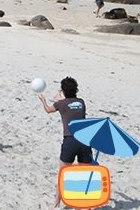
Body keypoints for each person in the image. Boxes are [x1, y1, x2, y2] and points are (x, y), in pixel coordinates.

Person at [39, 77, 92, 208]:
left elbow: (48, 110)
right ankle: (84, 202)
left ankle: (57, 201)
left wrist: (44, 101)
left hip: (70, 141)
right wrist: (62, 95)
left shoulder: (60, 104)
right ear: (76, 89)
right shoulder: (81, 102)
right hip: (85, 141)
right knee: (84, 174)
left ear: (63, 91)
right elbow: (71, 105)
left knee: (63, 173)